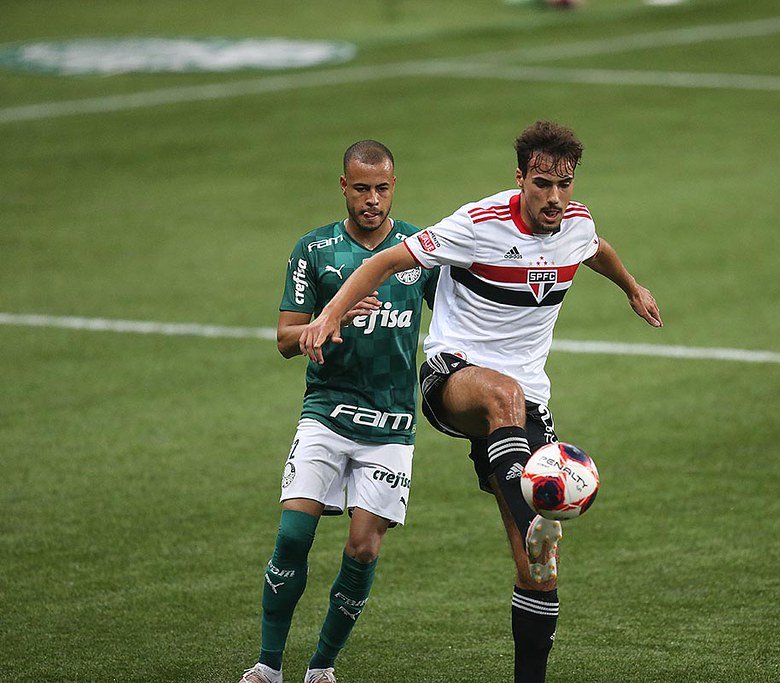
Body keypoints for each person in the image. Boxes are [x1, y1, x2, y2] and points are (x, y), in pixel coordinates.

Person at [299, 121, 661, 682]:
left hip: (524, 411)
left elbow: (596, 249)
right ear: (521, 179)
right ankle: (535, 509)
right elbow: (385, 262)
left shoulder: (575, 223)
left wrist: (632, 287)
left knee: (538, 569)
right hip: (454, 377)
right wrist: (327, 315)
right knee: (502, 393)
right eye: (542, 184)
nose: (554, 197)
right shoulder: (477, 224)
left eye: (564, 185)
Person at [240, 140, 437, 683]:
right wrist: (332, 320)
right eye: (361, 189)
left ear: (393, 186)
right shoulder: (314, 250)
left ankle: (321, 668)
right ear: (343, 187)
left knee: (362, 549)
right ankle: (268, 666)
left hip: (392, 425)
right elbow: (284, 338)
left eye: (382, 188)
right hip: (326, 413)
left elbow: (456, 321)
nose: (372, 200)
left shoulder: (419, 251)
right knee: (292, 537)